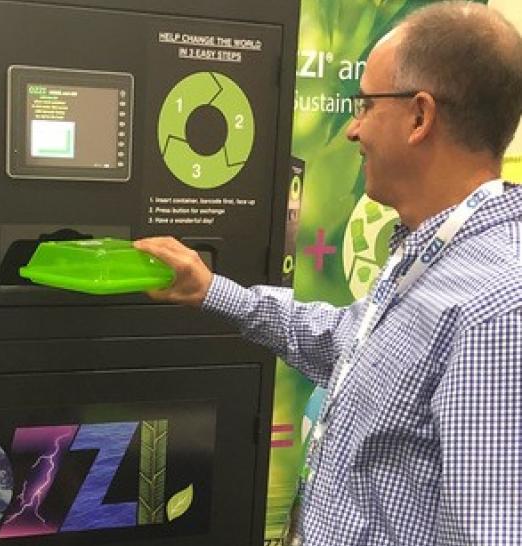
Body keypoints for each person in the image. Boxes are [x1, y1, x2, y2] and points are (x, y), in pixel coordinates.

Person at [135, 2, 522, 545]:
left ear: (420, 116)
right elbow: (348, 342)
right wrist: (211, 290)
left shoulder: (497, 309)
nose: (352, 131)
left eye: (365, 105)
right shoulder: (432, 256)